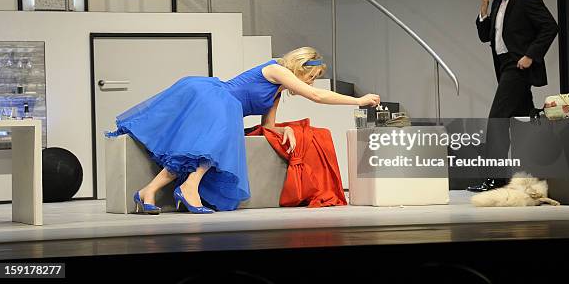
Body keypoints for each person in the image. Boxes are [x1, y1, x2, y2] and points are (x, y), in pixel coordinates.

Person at [106, 47, 380, 214]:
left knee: (193, 151)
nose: (312, 81)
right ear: (301, 66)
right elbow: (317, 97)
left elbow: (269, 126)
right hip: (216, 98)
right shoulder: (277, 69)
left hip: (224, 110)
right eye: (312, 76)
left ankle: (148, 192)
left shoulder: (277, 91)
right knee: (216, 143)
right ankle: (190, 186)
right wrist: (358, 101)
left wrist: (286, 131)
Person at [467, 0, 558, 192]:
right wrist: (483, 7)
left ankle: (495, 178)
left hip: (517, 67)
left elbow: (550, 26)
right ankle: (533, 172)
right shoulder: (496, 3)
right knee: (523, 119)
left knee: (497, 119)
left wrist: (530, 55)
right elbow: (485, 36)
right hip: (505, 66)